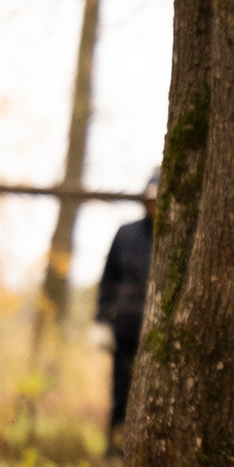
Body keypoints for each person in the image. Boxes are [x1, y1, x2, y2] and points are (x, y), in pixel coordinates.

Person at [95, 181, 154, 444]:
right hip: (126, 327)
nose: (153, 205)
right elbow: (109, 278)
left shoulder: (175, 235)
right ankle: (114, 442)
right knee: (121, 387)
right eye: (149, 200)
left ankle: (138, 443)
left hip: (156, 331)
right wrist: (101, 320)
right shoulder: (126, 233)